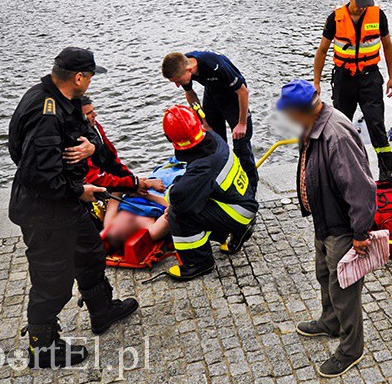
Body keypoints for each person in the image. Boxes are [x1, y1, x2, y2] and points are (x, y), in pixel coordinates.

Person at [8, 48, 138, 369]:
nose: (92, 81)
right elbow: (37, 176)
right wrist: (81, 190)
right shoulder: (45, 112)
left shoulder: (63, 101)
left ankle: (102, 311)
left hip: (64, 204)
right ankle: (42, 347)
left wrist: (92, 148)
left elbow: (88, 143)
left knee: (90, 252)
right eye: (91, 76)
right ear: (79, 77)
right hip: (45, 211)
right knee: (52, 280)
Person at [278, 80, 376, 378]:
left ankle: (351, 349)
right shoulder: (312, 127)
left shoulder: (336, 134)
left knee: (344, 288)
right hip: (324, 219)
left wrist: (360, 234)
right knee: (324, 274)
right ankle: (330, 322)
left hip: (342, 225)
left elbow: (360, 187)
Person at [161, 104, 260, 281]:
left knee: (178, 213)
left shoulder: (203, 166)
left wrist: (170, 195)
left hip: (237, 212)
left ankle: (199, 263)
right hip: (244, 202)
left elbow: (179, 197)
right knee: (193, 201)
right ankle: (239, 230)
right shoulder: (212, 138)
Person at [313, 0, 392, 182]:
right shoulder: (335, 18)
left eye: (365, 3)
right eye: (359, 2)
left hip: (370, 78)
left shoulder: (378, 15)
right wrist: (316, 82)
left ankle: (386, 170)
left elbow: (387, 46)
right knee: (341, 124)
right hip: (344, 79)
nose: (362, 7)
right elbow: (322, 51)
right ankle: (339, 168)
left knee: (376, 123)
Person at [161, 51, 258, 192]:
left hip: (233, 97)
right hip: (212, 94)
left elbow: (243, 92)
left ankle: (251, 189)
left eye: (178, 81)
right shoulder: (183, 65)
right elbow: (190, 95)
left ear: (189, 70)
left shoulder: (215, 66)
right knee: (213, 143)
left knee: (241, 147)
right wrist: (204, 122)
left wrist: (242, 123)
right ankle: (221, 184)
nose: (177, 85)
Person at [82, 95, 165, 195]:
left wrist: (133, 180)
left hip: (106, 178)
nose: (95, 115)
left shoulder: (95, 127)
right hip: (93, 186)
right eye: (89, 113)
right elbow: (94, 177)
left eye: (93, 111)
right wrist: (134, 184)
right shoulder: (77, 141)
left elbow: (112, 158)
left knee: (137, 185)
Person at [102, 158, 187, 249]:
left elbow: (117, 193)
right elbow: (173, 206)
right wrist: (146, 195)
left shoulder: (109, 225)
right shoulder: (152, 232)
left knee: (171, 165)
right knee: (188, 168)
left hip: (149, 183)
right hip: (166, 190)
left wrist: (146, 184)